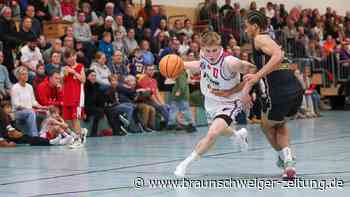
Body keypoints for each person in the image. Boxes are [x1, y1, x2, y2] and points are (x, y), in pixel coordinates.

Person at [174, 32, 255, 177]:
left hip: (229, 102)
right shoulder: (203, 55)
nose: (211, 55)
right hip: (211, 101)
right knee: (220, 131)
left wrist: (239, 91)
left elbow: (253, 70)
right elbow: (201, 65)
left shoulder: (231, 62)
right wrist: (180, 64)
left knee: (212, 133)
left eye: (214, 50)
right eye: (207, 50)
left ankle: (184, 164)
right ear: (202, 49)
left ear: (220, 47)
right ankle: (238, 135)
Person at [244, 11, 304, 179]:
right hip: (294, 88)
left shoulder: (259, 38)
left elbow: (278, 56)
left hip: (279, 91)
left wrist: (257, 76)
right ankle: (288, 162)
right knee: (279, 124)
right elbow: (277, 60)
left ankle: (285, 159)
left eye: (246, 25)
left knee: (266, 125)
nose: (245, 28)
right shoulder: (268, 39)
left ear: (255, 26)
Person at [62, 49, 88, 148]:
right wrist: (64, 75)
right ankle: (81, 132)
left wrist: (73, 72)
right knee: (70, 119)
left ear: (75, 56)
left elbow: (83, 80)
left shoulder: (80, 66)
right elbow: (62, 81)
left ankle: (78, 139)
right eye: (67, 57)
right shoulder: (65, 68)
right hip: (67, 96)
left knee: (75, 118)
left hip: (77, 95)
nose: (70, 59)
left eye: (72, 56)